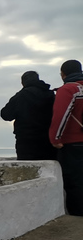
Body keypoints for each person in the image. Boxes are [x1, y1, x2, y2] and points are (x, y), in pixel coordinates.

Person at [49, 59, 83, 216]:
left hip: (73, 143)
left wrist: (55, 139)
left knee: (74, 183)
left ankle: (78, 218)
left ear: (63, 74)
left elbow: (61, 115)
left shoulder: (69, 89)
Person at [0, 70, 56, 160]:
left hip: (26, 142)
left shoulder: (20, 96)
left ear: (23, 83)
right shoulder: (50, 95)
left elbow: (5, 115)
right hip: (48, 140)